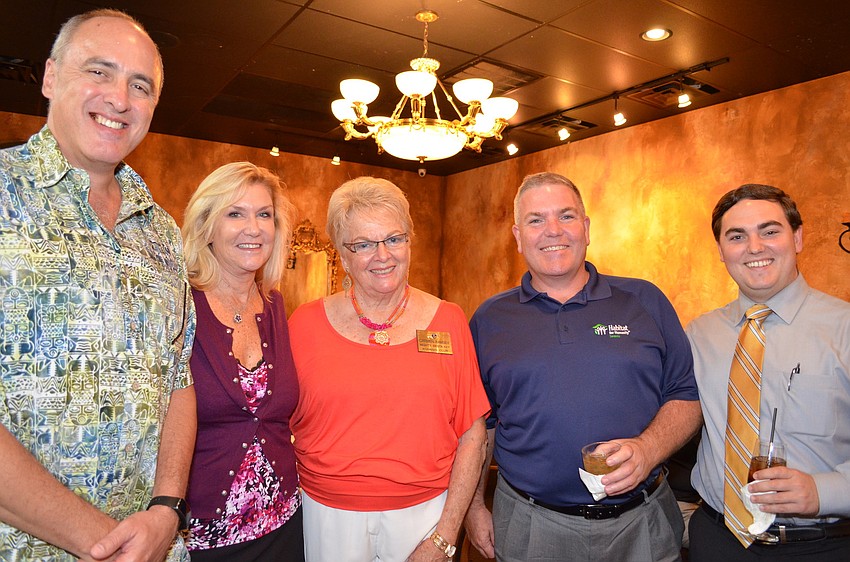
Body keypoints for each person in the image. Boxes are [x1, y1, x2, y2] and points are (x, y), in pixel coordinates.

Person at [0, 9, 196, 562]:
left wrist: (166, 509)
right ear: (49, 77)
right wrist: (106, 543)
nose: (120, 98)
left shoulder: (160, 229)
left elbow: (177, 378)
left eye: (140, 85)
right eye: (99, 71)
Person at [465, 172, 702, 562]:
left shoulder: (644, 300)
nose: (553, 231)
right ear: (518, 235)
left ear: (587, 228)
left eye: (567, 216)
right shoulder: (490, 319)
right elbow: (478, 425)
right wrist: (474, 507)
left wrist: (647, 449)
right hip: (532, 526)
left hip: (642, 524)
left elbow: (686, 395)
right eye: (536, 220)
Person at [289, 176, 490, 562]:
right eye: (363, 244)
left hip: (426, 514)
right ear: (343, 255)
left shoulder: (448, 320)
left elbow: (472, 436)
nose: (383, 255)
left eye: (394, 239)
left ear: (409, 243)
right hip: (327, 513)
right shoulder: (304, 324)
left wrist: (445, 537)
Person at [686, 184, 850, 561]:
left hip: (822, 546)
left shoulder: (844, 328)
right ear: (721, 251)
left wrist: (824, 491)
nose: (754, 247)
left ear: (797, 237)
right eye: (737, 236)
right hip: (718, 541)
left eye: (769, 231)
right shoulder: (698, 334)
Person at [181, 162, 303, 561]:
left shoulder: (275, 305)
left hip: (284, 524)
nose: (254, 228)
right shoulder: (179, 306)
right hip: (202, 536)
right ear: (207, 227)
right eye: (235, 213)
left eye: (263, 214)